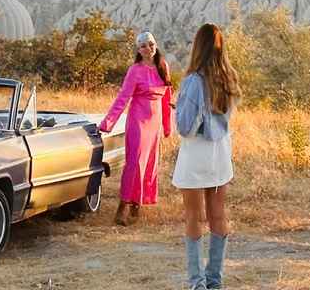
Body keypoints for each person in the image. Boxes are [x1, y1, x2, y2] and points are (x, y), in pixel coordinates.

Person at [173, 23, 240, 290]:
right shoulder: (228, 77)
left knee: (193, 217)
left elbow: (186, 127)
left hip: (196, 153)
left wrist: (178, 109)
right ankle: (215, 281)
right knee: (217, 215)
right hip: (221, 153)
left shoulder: (193, 81)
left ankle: (196, 284)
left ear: (197, 47)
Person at [99, 30, 173, 226]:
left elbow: (167, 98)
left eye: (150, 44)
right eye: (143, 46)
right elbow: (123, 98)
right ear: (138, 50)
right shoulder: (135, 70)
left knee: (149, 163)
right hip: (138, 121)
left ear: (155, 45)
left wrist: (167, 125)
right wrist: (108, 123)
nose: (148, 48)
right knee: (134, 163)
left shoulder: (163, 66)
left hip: (155, 122)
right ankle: (123, 206)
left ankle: (137, 205)